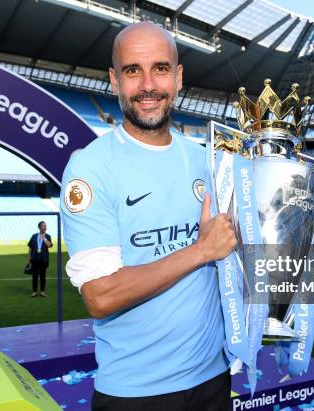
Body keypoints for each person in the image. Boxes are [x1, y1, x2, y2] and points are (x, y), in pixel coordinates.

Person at [60, 22, 236, 411]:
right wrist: (200, 250)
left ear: (177, 77)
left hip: (213, 380)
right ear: (113, 80)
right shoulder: (90, 169)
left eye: (159, 68)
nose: (147, 86)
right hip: (136, 394)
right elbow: (101, 296)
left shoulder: (208, 161)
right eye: (132, 71)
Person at [26, 221, 52, 297]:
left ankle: (42, 291)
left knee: (43, 276)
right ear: (39, 227)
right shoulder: (34, 236)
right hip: (34, 259)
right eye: (43, 226)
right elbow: (30, 248)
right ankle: (34, 291)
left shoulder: (48, 236)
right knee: (34, 276)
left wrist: (44, 239)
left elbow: (49, 245)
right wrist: (28, 259)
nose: (45, 227)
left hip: (44, 259)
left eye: (45, 226)